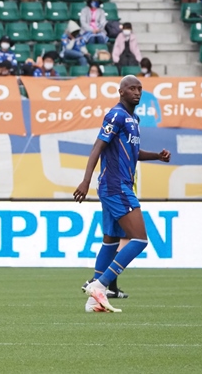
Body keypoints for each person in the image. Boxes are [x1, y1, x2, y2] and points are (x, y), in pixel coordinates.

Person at [74, 75, 171, 312]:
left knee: (111, 240)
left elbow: (133, 152)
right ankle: (99, 285)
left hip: (114, 186)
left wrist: (157, 156)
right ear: (121, 92)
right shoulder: (116, 115)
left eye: (140, 88)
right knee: (140, 239)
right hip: (116, 186)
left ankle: (93, 301)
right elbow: (98, 147)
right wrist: (85, 181)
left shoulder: (133, 119)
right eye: (132, 88)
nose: (137, 92)